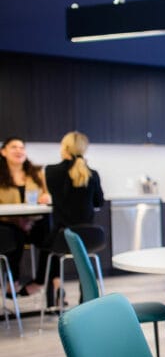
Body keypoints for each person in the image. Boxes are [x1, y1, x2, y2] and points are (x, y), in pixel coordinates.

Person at [43, 131, 104, 306]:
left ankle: (53, 294)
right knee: (83, 260)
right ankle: (87, 301)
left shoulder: (51, 171)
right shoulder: (92, 174)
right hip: (89, 239)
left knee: (46, 244)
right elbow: (99, 201)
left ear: (65, 148)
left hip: (63, 237)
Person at [0, 136, 52, 296]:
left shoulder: (36, 173)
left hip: (33, 223)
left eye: (22, 147)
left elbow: (47, 194)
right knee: (13, 234)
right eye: (14, 147)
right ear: (3, 151)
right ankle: (12, 280)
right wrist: (18, 220)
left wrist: (46, 198)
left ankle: (41, 280)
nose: (19, 150)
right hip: (8, 223)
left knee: (51, 233)